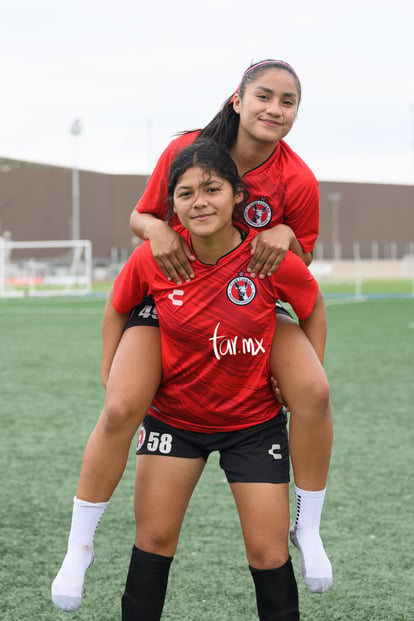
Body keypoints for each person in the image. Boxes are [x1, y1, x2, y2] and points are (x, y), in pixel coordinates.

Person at [51, 59, 332, 613]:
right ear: (236, 98)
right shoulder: (188, 148)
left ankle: (311, 528)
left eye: (288, 101)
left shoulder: (296, 179)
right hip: (172, 296)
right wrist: (157, 230)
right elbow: (144, 216)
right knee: (120, 406)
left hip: (248, 298)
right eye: (264, 96)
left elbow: (303, 264)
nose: (274, 109)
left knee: (315, 393)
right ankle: (79, 544)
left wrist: (280, 232)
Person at [108, 140, 327, 619]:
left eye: (213, 189)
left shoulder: (266, 256)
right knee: (153, 540)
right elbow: (118, 306)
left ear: (239, 197)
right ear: (173, 206)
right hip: (174, 422)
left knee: (269, 553)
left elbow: (310, 300)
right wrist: (111, 377)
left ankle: (307, 529)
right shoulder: (157, 257)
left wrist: (301, 375)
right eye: (186, 194)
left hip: (253, 425)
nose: (200, 201)